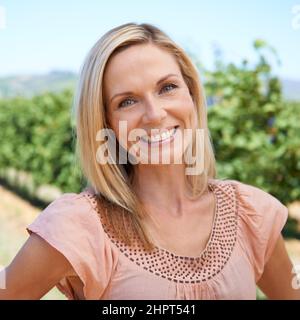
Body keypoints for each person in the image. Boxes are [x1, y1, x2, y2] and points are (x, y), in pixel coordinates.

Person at [0, 22, 299, 300]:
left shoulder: (250, 213)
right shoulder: (79, 225)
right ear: (105, 124)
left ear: (192, 95)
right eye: (127, 101)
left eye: (167, 87)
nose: (155, 114)